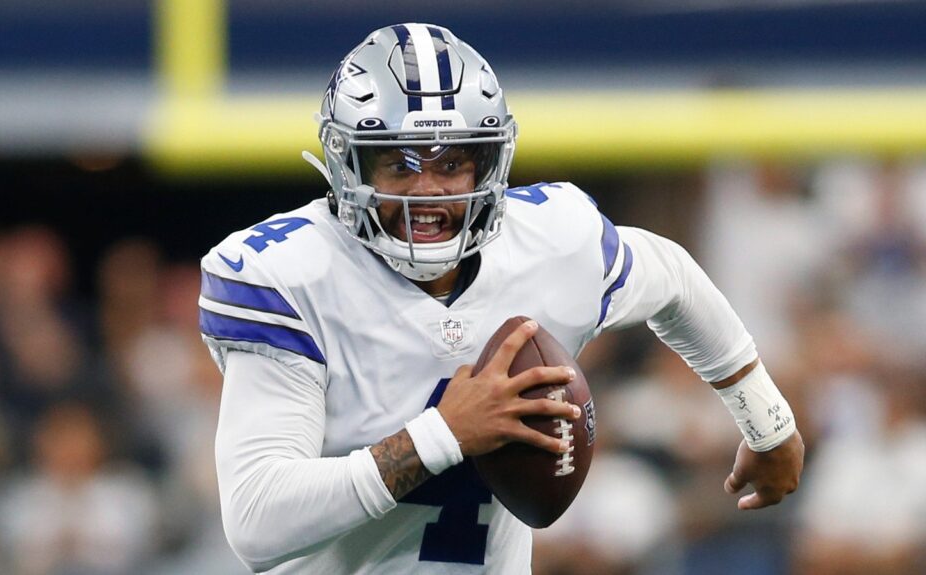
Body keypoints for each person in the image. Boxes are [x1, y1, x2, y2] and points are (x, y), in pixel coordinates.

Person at [202, 23, 804, 574]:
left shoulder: (549, 241)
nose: (427, 192)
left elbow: (671, 276)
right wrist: (444, 435)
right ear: (347, 165)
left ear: (489, 164)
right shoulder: (289, 276)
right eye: (399, 165)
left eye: (453, 162)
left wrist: (768, 423)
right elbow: (258, 522)